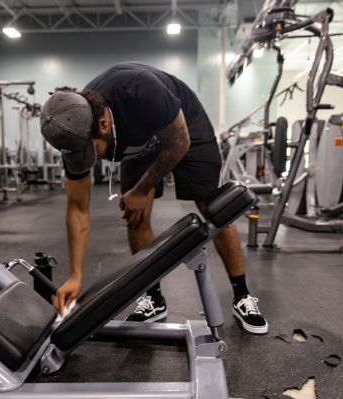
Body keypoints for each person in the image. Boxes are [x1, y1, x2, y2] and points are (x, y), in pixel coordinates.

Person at [40, 62, 268, 334]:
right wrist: (76, 275)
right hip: (137, 141)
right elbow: (78, 209)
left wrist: (142, 188)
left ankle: (242, 294)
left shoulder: (139, 89)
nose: (94, 159)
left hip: (184, 128)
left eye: (94, 150)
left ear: (103, 123)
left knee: (214, 209)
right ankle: (153, 297)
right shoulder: (72, 129)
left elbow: (179, 143)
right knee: (135, 217)